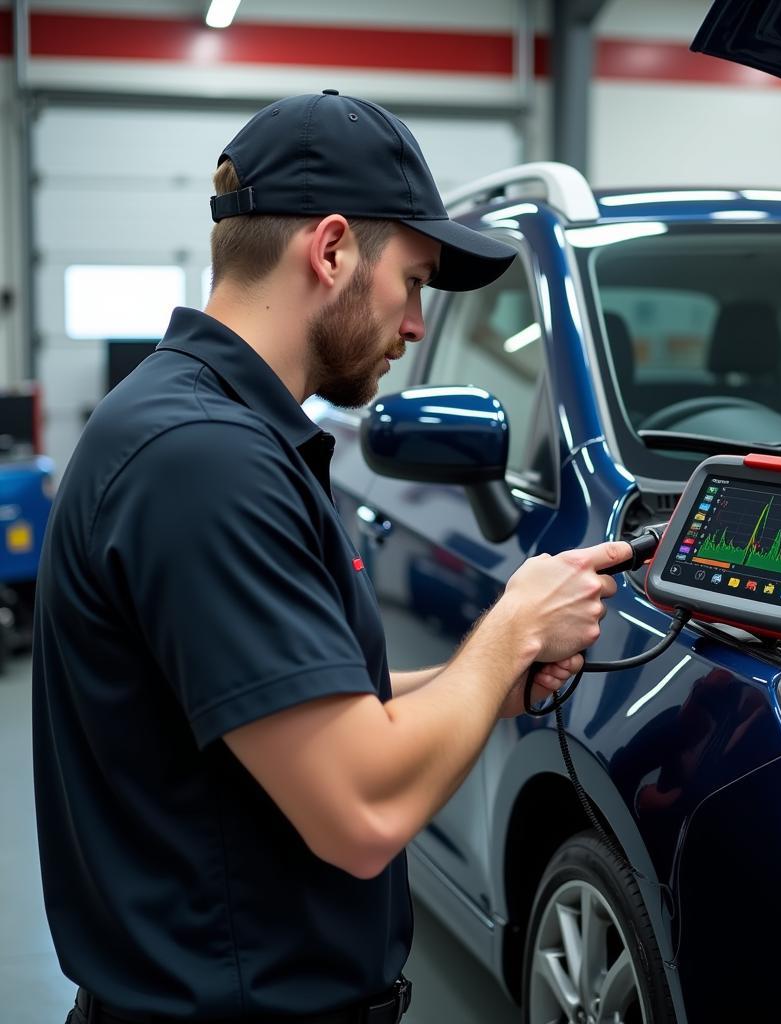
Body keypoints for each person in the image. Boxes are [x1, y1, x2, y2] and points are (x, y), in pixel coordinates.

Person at [33, 92, 630, 1024]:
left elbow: (303, 703)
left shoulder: (207, 430)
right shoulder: (205, 462)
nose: (417, 326)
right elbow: (361, 813)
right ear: (333, 249)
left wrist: (486, 682)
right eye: (416, 281)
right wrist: (510, 626)